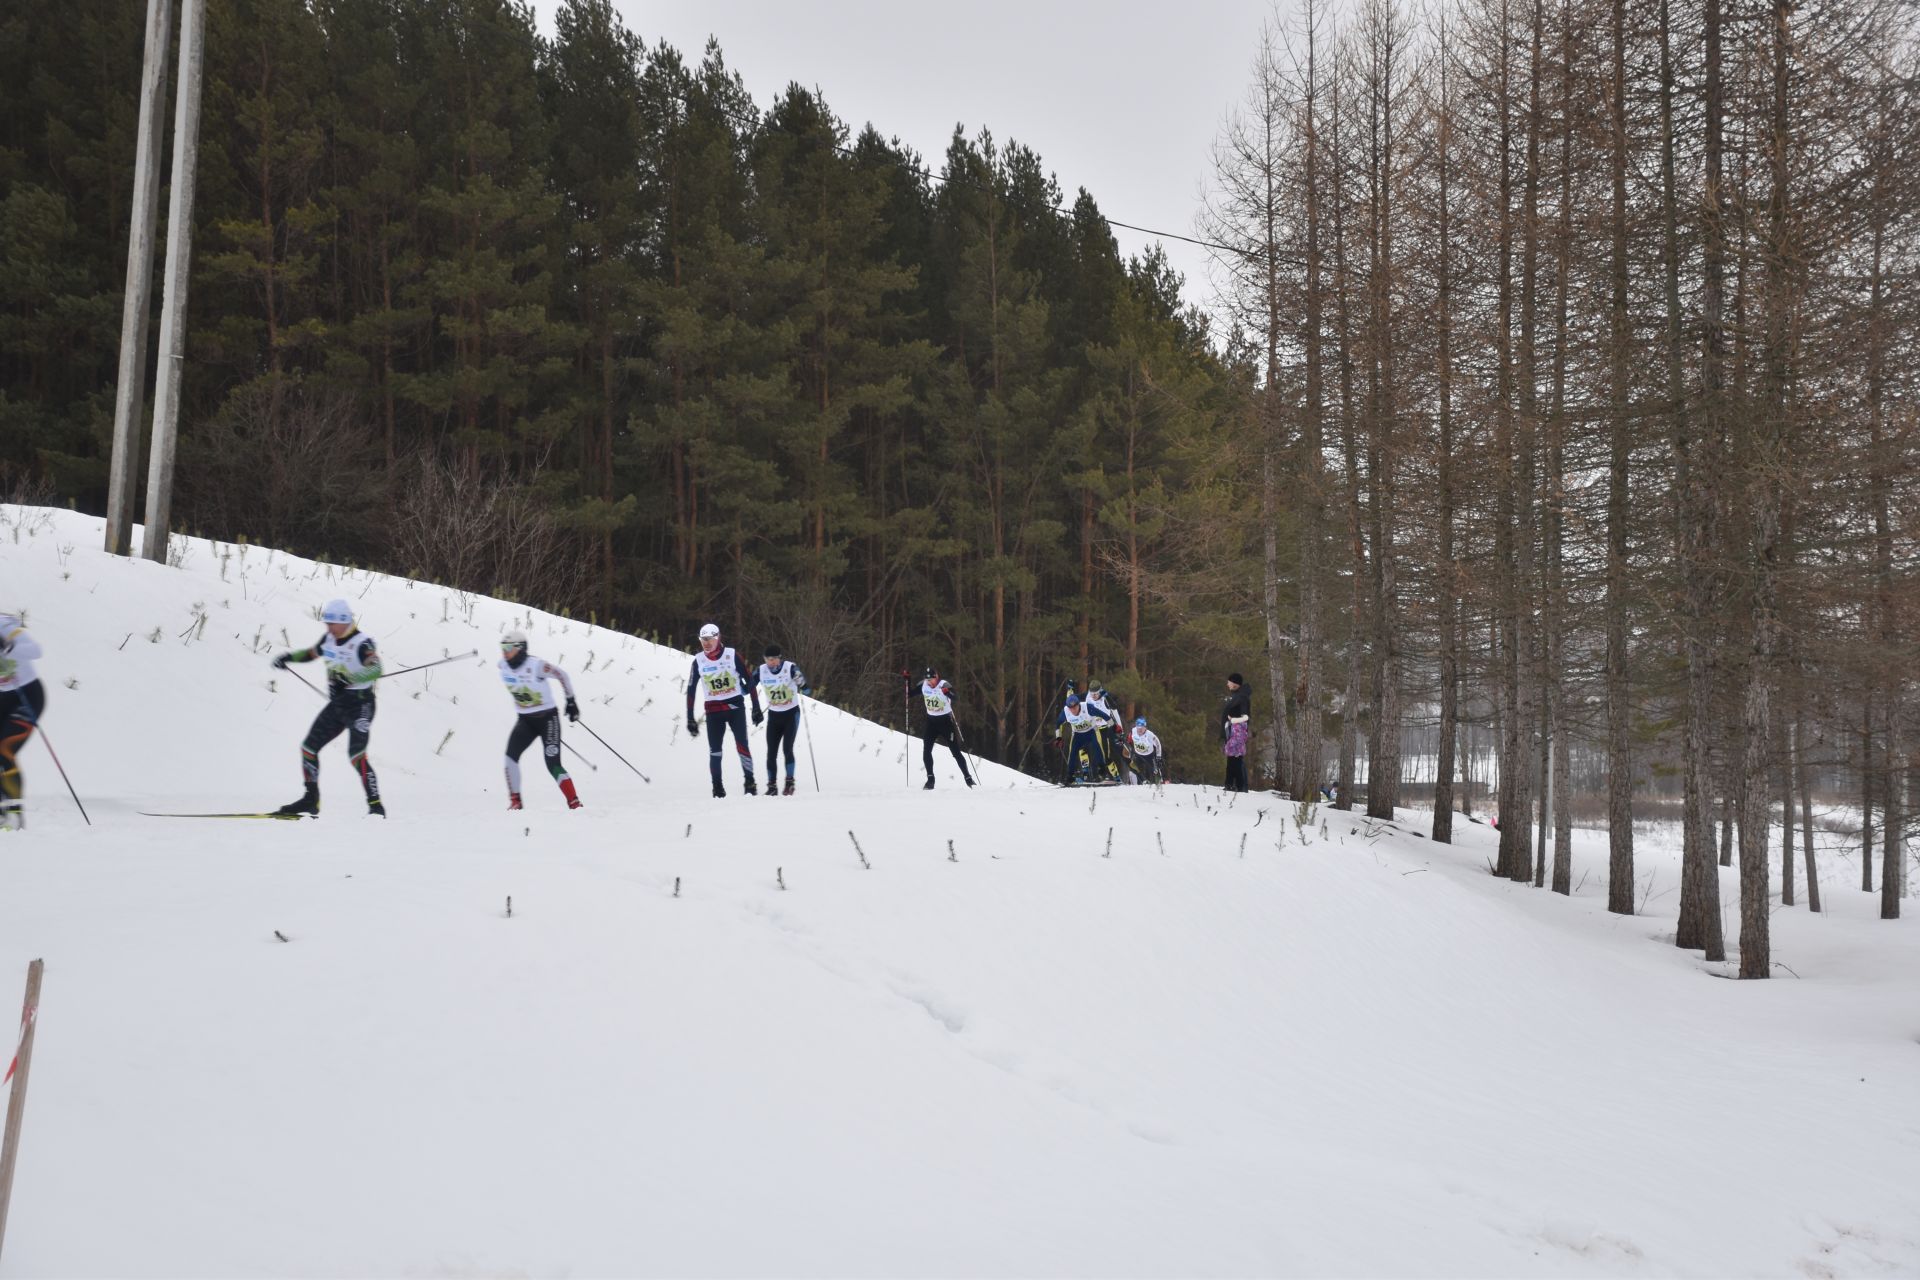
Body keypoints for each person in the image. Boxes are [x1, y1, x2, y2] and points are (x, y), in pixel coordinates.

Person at [272, 598, 384, 817]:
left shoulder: (363, 643)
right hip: (338, 705)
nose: (328, 627)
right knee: (309, 748)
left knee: (356, 754)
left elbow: (376, 669)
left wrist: (349, 678)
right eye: (327, 623)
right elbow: (311, 654)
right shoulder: (329, 639)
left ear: (344, 621)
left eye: (331, 623)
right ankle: (310, 800)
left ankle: (376, 807)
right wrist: (288, 658)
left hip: (360, 705)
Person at [497, 629, 582, 811]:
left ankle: (574, 802)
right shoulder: (502, 666)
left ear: (520, 648)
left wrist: (571, 700)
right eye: (502, 648)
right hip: (525, 721)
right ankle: (515, 801)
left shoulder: (536, 665)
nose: (505, 652)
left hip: (547, 720)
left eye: (509, 647)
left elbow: (562, 675)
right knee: (510, 758)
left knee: (552, 764)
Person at [686, 622, 761, 797]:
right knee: (715, 751)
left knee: (742, 746)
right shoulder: (698, 661)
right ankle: (717, 787)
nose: (706, 643)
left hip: (735, 707)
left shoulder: (732, 655)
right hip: (713, 711)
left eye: (710, 639)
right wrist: (690, 717)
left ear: (718, 638)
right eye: (703, 640)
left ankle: (750, 782)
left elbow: (749, 681)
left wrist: (756, 708)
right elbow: (690, 690)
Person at [0, 613, 47, 831]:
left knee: (4, 749)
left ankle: (15, 816)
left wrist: (9, 647)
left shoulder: (6, 627)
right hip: (3, 698)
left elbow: (37, 651)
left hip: (26, 696)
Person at [756, 643, 808, 797]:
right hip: (774, 716)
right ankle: (772, 786)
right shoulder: (761, 670)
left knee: (787, 749)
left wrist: (801, 683)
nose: (771, 662)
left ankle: (789, 783)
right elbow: (748, 687)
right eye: (767, 659)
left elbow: (806, 687)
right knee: (771, 752)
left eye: (774, 659)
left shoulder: (789, 667)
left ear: (779, 658)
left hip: (791, 714)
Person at [912, 665, 974, 790]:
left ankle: (968, 778)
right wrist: (907, 680)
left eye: (932, 679)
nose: (929, 682)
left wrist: (948, 693)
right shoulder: (923, 685)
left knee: (955, 752)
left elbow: (955, 697)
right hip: (931, 723)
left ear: (937, 677)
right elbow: (909, 694)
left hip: (945, 722)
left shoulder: (944, 684)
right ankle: (930, 780)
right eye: (927, 679)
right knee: (926, 750)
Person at [1059, 692, 1108, 784]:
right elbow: (1058, 724)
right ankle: (1074, 776)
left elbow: (1103, 714)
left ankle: (1102, 772)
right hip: (1078, 734)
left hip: (1092, 730)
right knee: (1074, 753)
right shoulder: (1066, 711)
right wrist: (1058, 737)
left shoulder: (1087, 706)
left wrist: (1113, 726)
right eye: (1071, 708)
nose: (1073, 710)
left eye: (1075, 707)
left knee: (1096, 749)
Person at [1085, 680, 1124, 781]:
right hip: (1095, 728)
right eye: (1092, 693)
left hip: (1106, 728)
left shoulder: (1106, 698)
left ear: (1100, 691)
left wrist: (1120, 728)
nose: (1093, 696)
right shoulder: (1088, 697)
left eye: (1096, 694)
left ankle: (1116, 777)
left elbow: (1115, 713)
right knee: (1093, 752)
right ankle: (1096, 776)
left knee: (1106, 755)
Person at [1221, 672, 1251, 793]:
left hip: (1238, 731)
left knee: (1236, 758)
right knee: (1232, 758)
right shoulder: (1236, 696)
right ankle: (1230, 784)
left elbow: (1246, 717)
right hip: (1232, 731)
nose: (1227, 684)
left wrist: (1232, 720)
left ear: (1235, 683)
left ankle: (1240, 786)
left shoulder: (1242, 697)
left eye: (1229, 682)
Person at [1128, 716, 1165, 785]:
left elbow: (1158, 744)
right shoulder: (1133, 731)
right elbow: (1129, 739)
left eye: (1141, 729)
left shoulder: (1150, 735)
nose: (1139, 731)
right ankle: (1134, 786)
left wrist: (1159, 756)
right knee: (1132, 768)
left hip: (1149, 755)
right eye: (1138, 728)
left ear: (1145, 727)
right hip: (1138, 754)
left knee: (1155, 770)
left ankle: (1159, 783)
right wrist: (1131, 749)